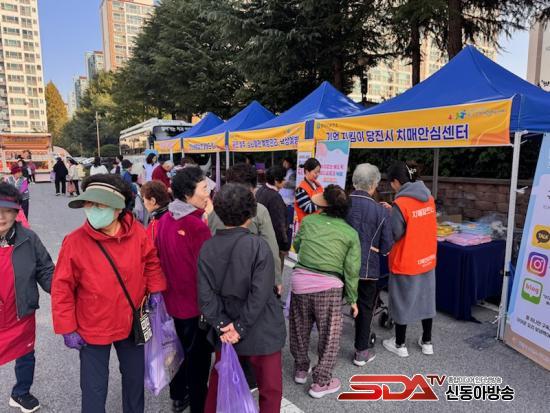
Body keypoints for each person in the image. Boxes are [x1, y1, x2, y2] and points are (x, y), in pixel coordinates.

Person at [51, 174, 167, 413]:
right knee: (93, 388)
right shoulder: (74, 242)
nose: (92, 210)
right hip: (93, 325)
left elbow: (151, 261)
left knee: (134, 380)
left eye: (100, 205)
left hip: (131, 320)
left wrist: (155, 289)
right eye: (89, 203)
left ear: (118, 208)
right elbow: (62, 288)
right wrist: (67, 327)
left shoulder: (137, 232)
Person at [199, 183, 286, 413]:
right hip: (262, 327)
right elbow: (260, 293)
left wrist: (223, 324)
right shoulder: (259, 246)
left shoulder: (207, 248)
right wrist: (240, 326)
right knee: (270, 389)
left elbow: (205, 295)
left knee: (220, 383)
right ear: (251, 213)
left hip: (225, 326)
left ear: (218, 212)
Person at [290, 185, 360, 399]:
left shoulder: (309, 221)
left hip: (300, 282)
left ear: (325, 205)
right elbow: (351, 270)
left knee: (299, 328)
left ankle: (301, 369)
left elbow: (297, 245)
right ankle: (321, 382)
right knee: (330, 334)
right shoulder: (350, 233)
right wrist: (353, 299)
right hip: (329, 287)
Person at [154, 167, 213, 413]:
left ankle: (178, 396)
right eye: (204, 189)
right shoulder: (196, 226)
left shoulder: (164, 220)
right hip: (196, 307)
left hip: (173, 303)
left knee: (180, 351)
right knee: (198, 363)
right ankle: (198, 406)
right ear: (188, 195)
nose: (208, 193)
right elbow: (208, 271)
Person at [0, 183, 54, 413]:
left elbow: (46, 270)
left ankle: (21, 392)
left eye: (7, 210)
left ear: (17, 212)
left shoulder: (28, 239)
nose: (1, 217)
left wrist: (67, 291)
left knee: (25, 352)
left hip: (20, 310)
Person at [382, 161, 437, 358]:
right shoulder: (429, 197)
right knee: (427, 300)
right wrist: (393, 210)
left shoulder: (401, 203)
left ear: (397, 181)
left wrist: (391, 214)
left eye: (392, 183)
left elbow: (396, 233)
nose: (392, 187)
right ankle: (427, 342)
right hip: (427, 257)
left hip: (406, 259)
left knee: (401, 301)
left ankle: (400, 344)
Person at [346, 163, 394, 366]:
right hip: (367, 267)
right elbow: (386, 247)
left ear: (354, 182)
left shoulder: (342, 204)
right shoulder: (381, 211)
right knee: (366, 307)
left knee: (331, 304)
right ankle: (361, 351)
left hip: (340, 265)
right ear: (374, 185)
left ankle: (325, 349)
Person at [208, 163, 282, 293]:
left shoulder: (214, 210)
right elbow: (270, 248)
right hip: (250, 281)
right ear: (253, 188)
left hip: (219, 280)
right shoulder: (259, 211)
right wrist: (276, 280)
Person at [255, 165, 290, 275]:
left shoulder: (261, 190)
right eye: (283, 179)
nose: (285, 181)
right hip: (272, 244)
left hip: (259, 240)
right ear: (276, 181)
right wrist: (284, 246)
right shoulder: (275, 197)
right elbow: (279, 225)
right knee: (274, 275)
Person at [294, 158, 323, 225]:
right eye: (315, 172)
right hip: (307, 226)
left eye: (319, 172)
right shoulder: (301, 189)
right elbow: (308, 208)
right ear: (307, 171)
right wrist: (323, 203)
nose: (317, 174)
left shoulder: (317, 185)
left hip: (316, 224)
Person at [280, 157, 296, 243]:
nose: (284, 164)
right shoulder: (285, 172)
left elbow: (293, 184)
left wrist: (282, 183)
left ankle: (287, 242)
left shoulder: (292, 173)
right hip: (284, 202)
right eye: (284, 163)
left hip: (289, 203)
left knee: (288, 225)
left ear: (289, 163)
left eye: (286, 163)